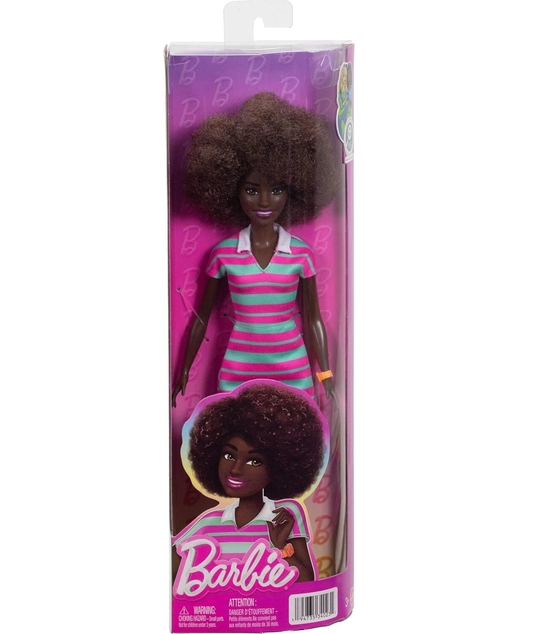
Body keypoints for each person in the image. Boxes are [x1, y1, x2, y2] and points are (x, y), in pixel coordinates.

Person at [172, 92, 339, 406]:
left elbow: (314, 319)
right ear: (230, 190)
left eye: (276, 190)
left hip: (293, 367)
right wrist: (183, 369)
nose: (264, 201)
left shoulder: (301, 255)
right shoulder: (223, 255)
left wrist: (326, 374)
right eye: (251, 190)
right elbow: (200, 318)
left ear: (293, 191)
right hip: (237, 367)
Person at [172, 382, 327, 586]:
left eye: (255, 461)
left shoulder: (284, 516)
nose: (236, 469)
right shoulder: (208, 523)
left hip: (276, 605)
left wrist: (280, 546)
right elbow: (171, 567)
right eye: (229, 455)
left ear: (278, 466)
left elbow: (306, 580)